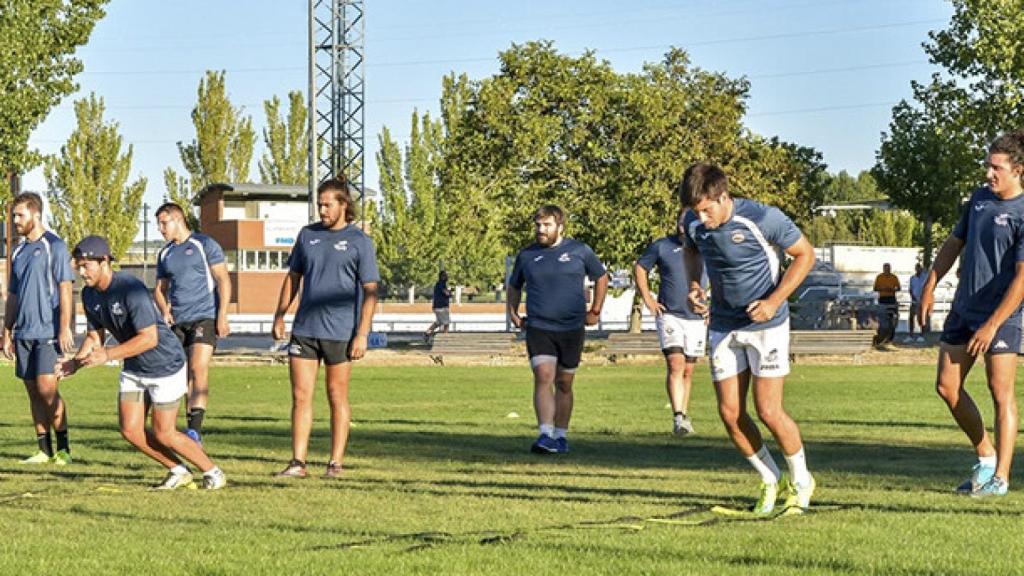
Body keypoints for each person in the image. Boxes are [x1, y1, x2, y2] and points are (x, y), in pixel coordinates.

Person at [679, 163, 817, 514]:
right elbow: (691, 249)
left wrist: (774, 301)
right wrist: (695, 285)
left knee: (769, 411)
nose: (702, 217)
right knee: (730, 414)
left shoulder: (762, 217)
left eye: (707, 209)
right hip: (723, 325)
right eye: (696, 211)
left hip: (766, 326)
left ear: (723, 197)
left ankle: (801, 480)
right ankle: (771, 480)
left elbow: (805, 255)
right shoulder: (693, 222)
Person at [56, 235, 226, 489]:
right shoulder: (90, 296)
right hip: (135, 368)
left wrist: (109, 354)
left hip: (165, 365)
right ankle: (178, 470)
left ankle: (213, 472)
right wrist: (76, 363)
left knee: (164, 432)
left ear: (104, 262)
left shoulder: (129, 289)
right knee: (130, 429)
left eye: (86, 266)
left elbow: (150, 338)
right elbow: (94, 336)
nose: (81, 272)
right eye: (78, 266)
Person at [919, 131, 1024, 498]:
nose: (988, 174)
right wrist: (930, 286)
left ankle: (1001, 479)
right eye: (988, 165)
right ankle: (985, 456)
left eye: (996, 167)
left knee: (1000, 392)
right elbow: (953, 244)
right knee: (946, 387)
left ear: (1018, 170)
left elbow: (1023, 279)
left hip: (1003, 316)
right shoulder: (978, 200)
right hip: (964, 310)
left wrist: (993, 325)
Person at [272, 177, 380, 478]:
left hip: (341, 333)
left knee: (336, 395)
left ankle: (335, 462)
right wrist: (279, 314)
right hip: (305, 329)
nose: (321, 210)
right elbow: (292, 278)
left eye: (327, 205)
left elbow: (370, 290)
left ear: (343, 205)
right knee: (301, 396)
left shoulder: (360, 242)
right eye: (319, 205)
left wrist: (362, 333)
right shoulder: (307, 236)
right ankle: (298, 462)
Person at [507, 205, 608, 454]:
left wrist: (595, 310)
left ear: (560, 227)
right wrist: (512, 312)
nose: (541, 230)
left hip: (572, 328)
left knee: (564, 382)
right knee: (543, 376)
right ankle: (545, 434)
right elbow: (514, 285)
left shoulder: (579, 251)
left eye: (547, 225)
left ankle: (561, 436)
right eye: (538, 225)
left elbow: (601, 277)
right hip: (539, 326)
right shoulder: (527, 255)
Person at [1, 193, 75, 465]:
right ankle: (44, 450)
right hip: (23, 334)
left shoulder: (54, 246)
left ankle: (64, 449)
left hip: (47, 332)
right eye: (14, 215)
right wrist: (6, 332)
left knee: (47, 390)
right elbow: (13, 296)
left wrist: (64, 327)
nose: (15, 221)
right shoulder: (18, 252)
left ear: (35, 214)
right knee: (33, 392)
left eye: (19, 215)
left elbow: (66, 288)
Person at [153, 202, 232, 445]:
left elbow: (223, 280)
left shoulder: (204, 244)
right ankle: (179, 426)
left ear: (178, 220)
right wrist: (165, 309)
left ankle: (194, 431)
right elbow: (159, 289)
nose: (160, 229)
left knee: (198, 368)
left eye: (164, 223)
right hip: (179, 322)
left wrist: (222, 315)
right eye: (158, 224)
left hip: (204, 316)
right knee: (179, 374)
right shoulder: (165, 253)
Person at [634, 221, 707, 436]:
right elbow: (640, 268)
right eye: (681, 220)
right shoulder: (662, 246)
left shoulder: (706, 245)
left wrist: (714, 305)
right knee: (675, 363)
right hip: (670, 315)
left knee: (688, 369)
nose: (684, 225)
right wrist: (648, 299)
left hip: (696, 317)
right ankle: (678, 417)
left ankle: (684, 415)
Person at [873, 263, 901, 345]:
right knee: (882, 318)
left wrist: (892, 289)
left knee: (892, 319)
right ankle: (881, 337)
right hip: (882, 299)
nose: (887, 270)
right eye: (885, 269)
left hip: (891, 298)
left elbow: (898, 288)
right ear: (883, 269)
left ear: (890, 269)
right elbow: (875, 288)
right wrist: (882, 288)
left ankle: (891, 338)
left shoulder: (894, 277)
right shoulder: (879, 277)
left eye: (888, 269)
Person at [905, 263, 929, 343]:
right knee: (911, 317)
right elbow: (910, 289)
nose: (918, 270)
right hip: (914, 301)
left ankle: (922, 335)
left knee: (922, 318)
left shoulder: (925, 277)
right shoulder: (912, 278)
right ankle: (911, 335)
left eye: (920, 268)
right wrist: (913, 297)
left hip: (923, 300)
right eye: (917, 268)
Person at [425, 270, 452, 339]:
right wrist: (450, 292)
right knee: (446, 322)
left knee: (438, 322)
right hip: (441, 307)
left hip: (437, 307)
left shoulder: (439, 284)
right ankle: (445, 338)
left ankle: (427, 332)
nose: (447, 277)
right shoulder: (441, 284)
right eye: (445, 275)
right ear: (442, 276)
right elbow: (446, 293)